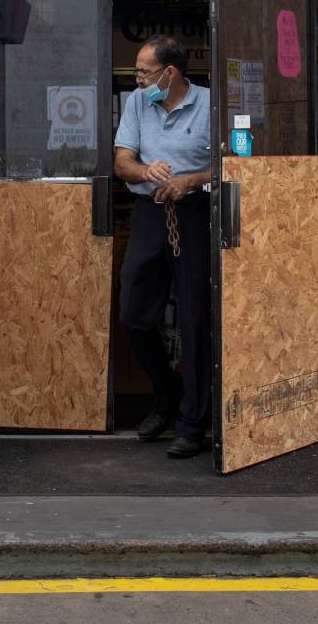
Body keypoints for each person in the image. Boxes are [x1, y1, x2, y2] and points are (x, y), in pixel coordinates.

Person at [113, 34, 213, 459]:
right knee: (133, 313)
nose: (138, 79)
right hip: (150, 212)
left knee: (194, 319)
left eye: (144, 72)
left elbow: (233, 161)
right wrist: (143, 169)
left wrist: (190, 180)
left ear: (170, 73)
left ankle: (193, 422)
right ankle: (167, 395)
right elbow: (121, 162)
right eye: (137, 72)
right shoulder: (138, 103)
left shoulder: (211, 103)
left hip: (194, 212)